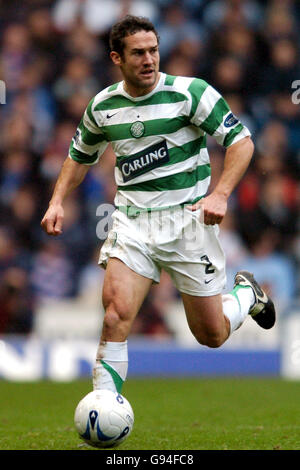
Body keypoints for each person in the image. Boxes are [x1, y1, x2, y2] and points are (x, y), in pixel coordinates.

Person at [41, 15, 276, 394]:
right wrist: (56, 201)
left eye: (154, 50)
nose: (149, 59)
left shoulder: (191, 93)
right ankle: (104, 403)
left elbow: (241, 141)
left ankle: (246, 293)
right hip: (133, 222)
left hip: (188, 223)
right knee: (116, 314)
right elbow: (78, 156)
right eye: (138, 53)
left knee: (211, 334)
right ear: (117, 58)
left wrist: (220, 193)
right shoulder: (103, 106)